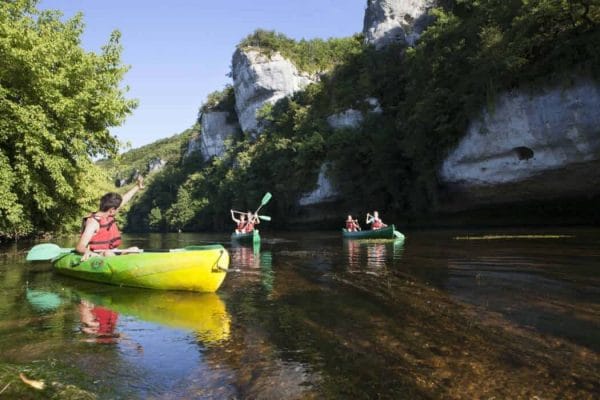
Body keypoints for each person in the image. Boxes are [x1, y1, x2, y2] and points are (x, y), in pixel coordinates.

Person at [76, 176, 144, 261]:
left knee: (134, 249)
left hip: (113, 253)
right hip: (99, 255)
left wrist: (137, 186)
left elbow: (124, 199)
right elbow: (80, 246)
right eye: (117, 208)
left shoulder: (109, 214)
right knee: (108, 253)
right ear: (112, 210)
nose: (119, 209)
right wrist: (88, 252)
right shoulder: (93, 222)